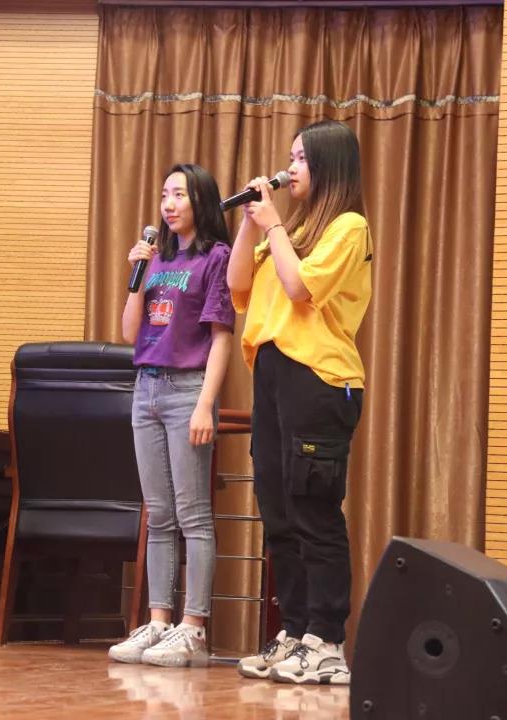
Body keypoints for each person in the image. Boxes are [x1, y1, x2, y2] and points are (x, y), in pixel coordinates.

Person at [226, 120, 373, 685]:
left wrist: (274, 226)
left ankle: (327, 641)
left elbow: (300, 288)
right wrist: (250, 224)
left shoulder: (348, 228)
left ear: (329, 165)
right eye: (289, 158)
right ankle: (295, 631)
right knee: (279, 514)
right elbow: (239, 286)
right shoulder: (292, 229)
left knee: (314, 511)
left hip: (320, 378)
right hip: (272, 375)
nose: (289, 170)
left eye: (301, 159)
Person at [108, 163, 235, 668]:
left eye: (179, 194)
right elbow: (129, 331)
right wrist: (136, 278)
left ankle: (193, 628)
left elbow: (221, 337)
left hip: (187, 388)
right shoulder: (156, 259)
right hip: (147, 388)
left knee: (193, 514)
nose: (169, 204)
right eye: (165, 194)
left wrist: (206, 402)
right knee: (157, 513)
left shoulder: (216, 257)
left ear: (200, 201)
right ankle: (159, 621)